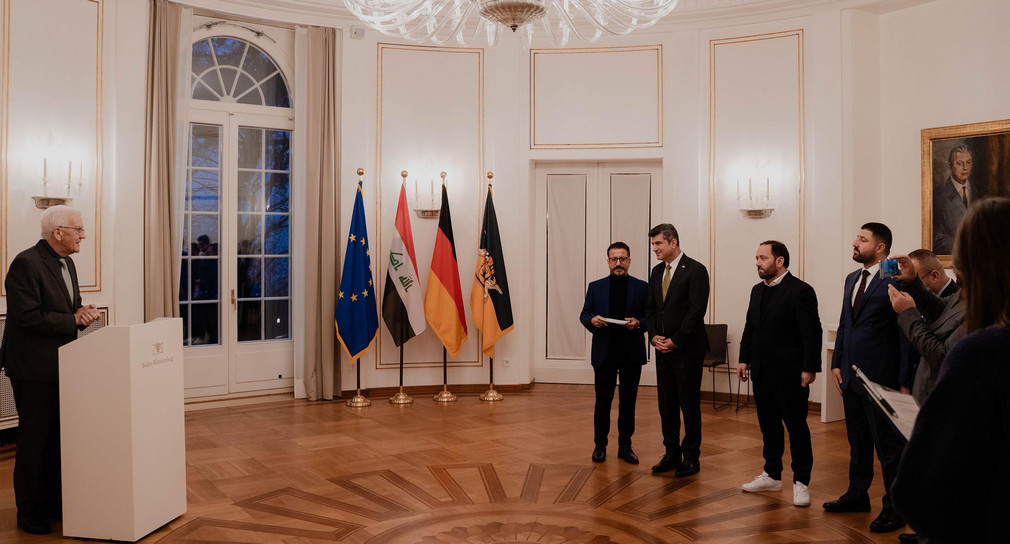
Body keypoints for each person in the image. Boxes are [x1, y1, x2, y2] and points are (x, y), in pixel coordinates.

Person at [892, 197, 1010, 543]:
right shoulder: (967, 312)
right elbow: (943, 309)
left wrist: (908, 315)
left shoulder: (981, 352)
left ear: (966, 265)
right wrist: (913, 283)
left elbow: (920, 491)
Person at [0, 206, 101, 535]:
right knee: (33, 441)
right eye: (78, 230)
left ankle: (53, 503)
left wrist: (81, 312)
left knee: (58, 439)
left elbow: (65, 308)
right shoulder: (26, 263)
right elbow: (26, 317)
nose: (83, 235)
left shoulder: (67, 263)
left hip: (62, 365)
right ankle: (28, 513)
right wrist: (72, 319)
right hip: (33, 369)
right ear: (58, 232)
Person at [824, 222, 908, 534]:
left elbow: (902, 331)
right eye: (857, 238)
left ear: (881, 247)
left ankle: (895, 508)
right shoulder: (851, 278)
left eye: (862, 239)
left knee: (887, 447)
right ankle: (857, 495)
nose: (855, 243)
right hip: (851, 375)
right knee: (857, 441)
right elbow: (846, 322)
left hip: (881, 377)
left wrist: (902, 378)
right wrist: (837, 362)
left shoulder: (892, 277)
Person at [737, 241, 822, 507]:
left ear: (780, 261)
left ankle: (801, 482)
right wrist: (743, 360)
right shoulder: (756, 290)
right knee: (768, 427)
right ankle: (772, 475)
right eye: (756, 257)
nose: (757, 262)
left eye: (762, 258)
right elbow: (751, 327)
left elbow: (812, 332)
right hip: (761, 372)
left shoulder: (801, 291)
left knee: (796, 428)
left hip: (791, 374)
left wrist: (809, 367)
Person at [644, 223, 709, 476]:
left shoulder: (696, 270)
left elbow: (696, 312)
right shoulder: (656, 271)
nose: (655, 249)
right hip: (662, 349)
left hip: (687, 350)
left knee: (689, 405)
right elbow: (651, 309)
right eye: (653, 244)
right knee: (666, 405)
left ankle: (691, 456)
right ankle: (671, 453)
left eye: (658, 243)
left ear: (673, 242)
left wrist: (676, 340)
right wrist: (654, 337)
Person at [579, 242, 649, 464]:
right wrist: (592, 320)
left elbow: (651, 317)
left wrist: (639, 323)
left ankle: (625, 447)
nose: (618, 263)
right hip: (604, 353)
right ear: (608, 261)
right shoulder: (595, 286)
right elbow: (584, 315)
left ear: (629, 261)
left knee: (628, 403)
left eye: (622, 258)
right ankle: (600, 446)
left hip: (631, 353)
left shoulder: (642, 287)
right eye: (614, 259)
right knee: (603, 402)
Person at [887, 249, 965, 405]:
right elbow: (937, 308)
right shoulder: (968, 293)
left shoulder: (985, 307)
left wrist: (908, 314)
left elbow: (944, 357)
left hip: (945, 399)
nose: (952, 265)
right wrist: (912, 280)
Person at [932, 145, 985, 255]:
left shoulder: (981, 192)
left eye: (968, 162)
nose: (965, 168)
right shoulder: (938, 195)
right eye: (959, 163)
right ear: (950, 166)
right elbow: (936, 239)